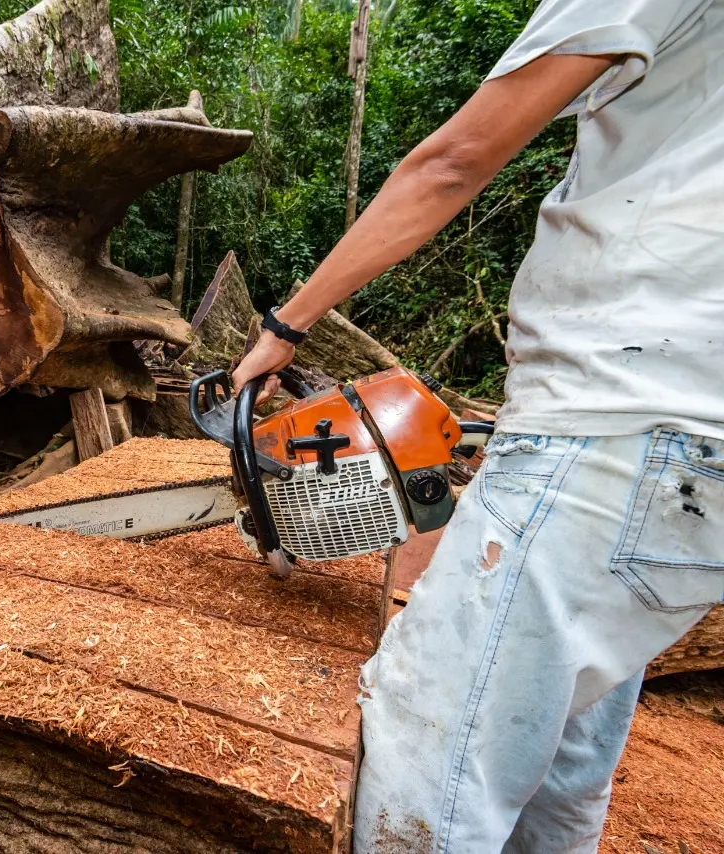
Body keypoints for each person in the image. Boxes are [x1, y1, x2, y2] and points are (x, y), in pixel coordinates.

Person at [230, 1, 724, 850]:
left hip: (613, 428)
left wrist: (285, 327)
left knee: (425, 756)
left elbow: (451, 163)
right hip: (685, 445)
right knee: (561, 773)